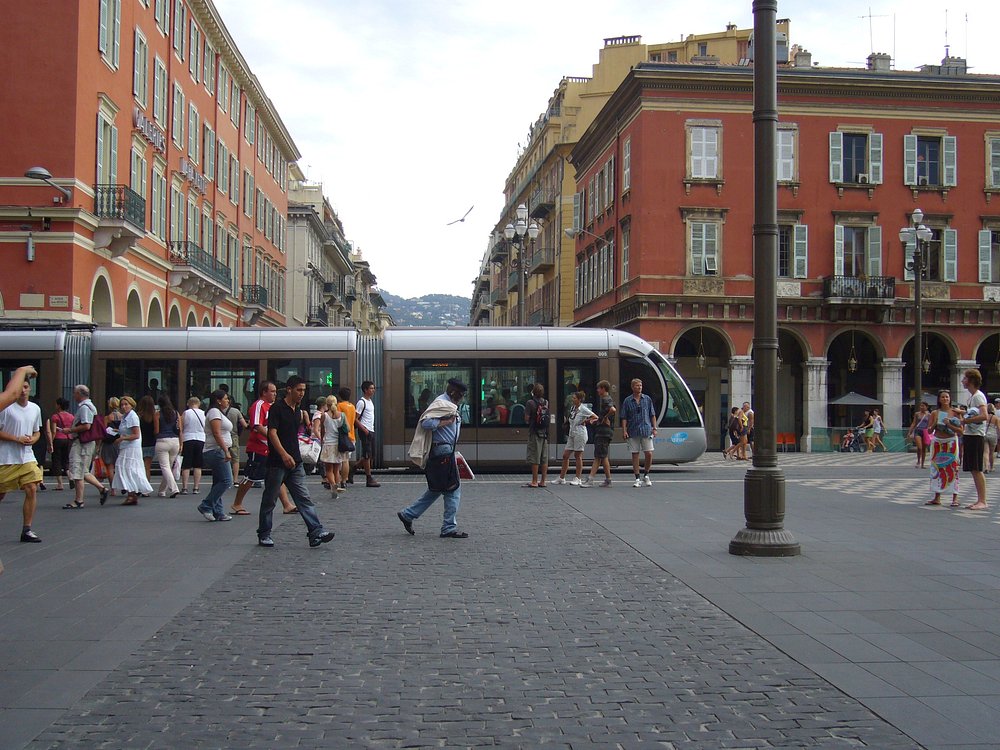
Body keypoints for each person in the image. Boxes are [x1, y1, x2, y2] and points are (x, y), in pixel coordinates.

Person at [256, 376, 335, 548]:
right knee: (269, 499)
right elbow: (272, 433)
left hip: (295, 462)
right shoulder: (277, 408)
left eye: (304, 390)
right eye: (299, 390)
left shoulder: (298, 410)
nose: (302, 393)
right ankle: (264, 533)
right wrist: (284, 454)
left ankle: (315, 531)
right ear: (289, 389)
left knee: (304, 498)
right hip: (277, 462)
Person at [398, 377, 469, 538]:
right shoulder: (441, 403)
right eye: (460, 394)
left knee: (438, 488)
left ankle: (408, 514)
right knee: (453, 489)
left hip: (446, 450)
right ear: (453, 392)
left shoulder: (448, 404)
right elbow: (426, 423)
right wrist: (447, 421)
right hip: (442, 450)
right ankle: (448, 528)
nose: (462, 397)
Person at [230, 381, 296, 516]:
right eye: (272, 391)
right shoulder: (259, 405)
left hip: (269, 447)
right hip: (259, 447)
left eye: (275, 391)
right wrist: (274, 437)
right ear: (264, 392)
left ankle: (287, 504)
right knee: (250, 477)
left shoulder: (272, 406)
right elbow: (256, 425)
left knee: (277, 475)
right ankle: (237, 503)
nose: (275, 394)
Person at [0, 375, 44, 542]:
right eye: (21, 387)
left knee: (31, 487)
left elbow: (36, 430)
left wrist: (33, 439)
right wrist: (15, 438)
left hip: (26, 456)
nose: (24, 390)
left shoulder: (35, 408)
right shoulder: (5, 408)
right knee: (1, 493)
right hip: (5, 457)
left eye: (26, 387)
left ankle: (27, 529)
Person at [60, 384, 109, 509]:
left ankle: (79, 500)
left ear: (79, 394)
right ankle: (102, 489)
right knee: (84, 471)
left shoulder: (84, 408)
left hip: (82, 443)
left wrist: (70, 430)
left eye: (75, 393)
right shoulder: (90, 406)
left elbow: (87, 426)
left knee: (77, 471)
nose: (73, 395)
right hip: (86, 443)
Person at [196, 389, 234, 522]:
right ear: (218, 400)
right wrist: (226, 450)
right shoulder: (214, 412)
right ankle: (206, 505)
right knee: (226, 480)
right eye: (225, 398)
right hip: (217, 450)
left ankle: (218, 512)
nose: (228, 401)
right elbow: (217, 433)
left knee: (218, 481)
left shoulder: (218, 413)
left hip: (218, 450)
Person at [111, 396, 153, 505]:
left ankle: (131, 493)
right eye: (122, 405)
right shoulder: (126, 416)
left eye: (126, 404)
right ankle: (131, 493)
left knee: (128, 469)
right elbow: (127, 430)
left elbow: (136, 434)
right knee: (126, 469)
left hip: (131, 447)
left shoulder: (132, 417)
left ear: (131, 405)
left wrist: (122, 438)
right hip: (126, 446)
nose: (124, 407)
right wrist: (117, 431)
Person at [926, 390, 963, 507]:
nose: (945, 399)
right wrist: (935, 423)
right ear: (939, 399)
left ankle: (955, 497)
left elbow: (961, 431)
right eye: (943, 397)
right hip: (938, 442)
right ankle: (937, 496)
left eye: (947, 397)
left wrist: (949, 424)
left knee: (953, 468)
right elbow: (929, 430)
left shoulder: (955, 412)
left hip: (951, 441)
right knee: (937, 469)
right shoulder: (934, 413)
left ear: (950, 399)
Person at [620, 378, 657, 487]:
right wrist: (624, 430)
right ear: (632, 387)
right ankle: (637, 477)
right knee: (635, 454)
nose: (639, 387)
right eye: (637, 385)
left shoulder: (647, 399)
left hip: (646, 429)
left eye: (640, 385)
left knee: (649, 452)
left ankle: (646, 474)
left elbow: (652, 414)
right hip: (633, 429)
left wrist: (654, 428)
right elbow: (624, 417)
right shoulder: (627, 401)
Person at [960, 368, 989, 510]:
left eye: (964, 378)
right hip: (971, 435)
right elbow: (974, 414)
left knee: (977, 468)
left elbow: (984, 416)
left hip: (976, 436)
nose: (962, 381)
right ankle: (980, 499)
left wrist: (966, 421)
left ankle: (982, 501)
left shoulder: (978, 396)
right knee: (973, 468)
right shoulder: (972, 397)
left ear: (971, 380)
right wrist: (963, 413)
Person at [555, 391, 596, 485]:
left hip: (580, 433)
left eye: (574, 398)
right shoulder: (573, 408)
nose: (572, 399)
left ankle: (578, 478)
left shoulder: (584, 409)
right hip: (572, 433)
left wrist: (586, 421)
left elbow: (595, 417)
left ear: (579, 400)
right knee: (565, 455)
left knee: (578, 455)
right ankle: (562, 477)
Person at [581, 380, 616, 487]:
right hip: (605, 430)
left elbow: (613, 409)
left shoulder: (605, 399)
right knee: (603, 456)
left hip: (603, 431)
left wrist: (605, 418)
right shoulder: (606, 399)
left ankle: (590, 479)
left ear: (603, 389)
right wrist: (595, 420)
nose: (597, 390)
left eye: (598, 388)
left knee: (598, 456)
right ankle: (608, 480)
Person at [153, 395, 181, 497]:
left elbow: (156, 430)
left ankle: (174, 489)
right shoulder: (176, 413)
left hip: (162, 441)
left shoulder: (157, 414)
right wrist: (181, 444)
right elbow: (180, 430)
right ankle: (161, 490)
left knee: (165, 467)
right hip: (175, 441)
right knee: (168, 467)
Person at [523, 383, 550, 488]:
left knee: (535, 457)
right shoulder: (546, 402)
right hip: (544, 433)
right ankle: (543, 481)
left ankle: (534, 481)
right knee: (544, 458)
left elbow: (526, 419)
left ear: (533, 392)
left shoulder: (530, 403)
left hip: (534, 432)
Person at [354, 381, 380, 487]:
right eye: (371, 388)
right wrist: (364, 429)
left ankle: (353, 469)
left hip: (371, 430)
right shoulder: (361, 402)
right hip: (365, 430)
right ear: (365, 390)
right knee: (367, 454)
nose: (373, 390)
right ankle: (369, 478)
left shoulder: (370, 401)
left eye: (373, 388)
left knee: (370, 455)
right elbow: (355, 419)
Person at [318, 395, 345, 497]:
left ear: (327, 404)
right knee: (336, 470)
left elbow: (322, 430)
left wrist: (321, 440)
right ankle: (337, 486)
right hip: (338, 445)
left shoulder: (324, 415)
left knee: (328, 470)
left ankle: (333, 486)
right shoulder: (341, 415)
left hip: (328, 444)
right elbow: (346, 429)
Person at [47, 396, 74, 491]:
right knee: (66, 460)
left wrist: (50, 442)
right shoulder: (71, 416)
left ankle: (60, 484)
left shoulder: (55, 416)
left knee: (57, 461)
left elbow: (53, 431)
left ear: (59, 405)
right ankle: (70, 477)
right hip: (68, 439)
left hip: (58, 439)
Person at [179, 396, 205, 494]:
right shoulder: (203, 413)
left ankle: (185, 488)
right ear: (198, 403)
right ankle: (196, 487)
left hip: (188, 439)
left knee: (186, 465)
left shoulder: (186, 413)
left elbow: (181, 427)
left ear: (188, 404)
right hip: (201, 439)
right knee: (198, 465)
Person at [100, 396, 122, 493]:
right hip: (120, 441)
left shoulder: (107, 418)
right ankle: (123, 485)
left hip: (109, 443)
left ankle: (113, 489)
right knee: (120, 465)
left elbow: (103, 432)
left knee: (110, 466)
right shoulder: (123, 416)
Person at [336, 386, 356, 491]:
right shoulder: (352, 406)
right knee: (346, 460)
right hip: (351, 436)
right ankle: (345, 480)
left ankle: (339, 480)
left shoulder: (339, 406)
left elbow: (337, 420)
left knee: (340, 460)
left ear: (339, 396)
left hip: (342, 437)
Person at [224, 398, 247, 486]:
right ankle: (235, 479)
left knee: (224, 458)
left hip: (222, 437)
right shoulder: (236, 411)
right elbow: (244, 424)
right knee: (235, 459)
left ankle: (225, 478)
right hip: (233, 437)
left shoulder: (218, 411)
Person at [135, 395, 157, 484]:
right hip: (151, 442)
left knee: (139, 466)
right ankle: (146, 487)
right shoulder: (154, 416)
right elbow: (156, 431)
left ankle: (140, 485)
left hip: (140, 443)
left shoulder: (138, 416)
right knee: (147, 467)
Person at [907, 401, 931, 469]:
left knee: (924, 448)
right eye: (921, 406)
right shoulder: (917, 414)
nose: (921, 407)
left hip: (925, 431)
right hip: (918, 431)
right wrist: (910, 432)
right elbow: (914, 423)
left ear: (926, 407)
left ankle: (922, 463)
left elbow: (929, 424)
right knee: (919, 447)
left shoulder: (929, 415)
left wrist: (930, 432)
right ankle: (918, 461)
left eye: (923, 406)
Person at [985, 404, 1000, 474]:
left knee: (985, 452)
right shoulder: (996, 418)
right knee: (991, 452)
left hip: (985, 434)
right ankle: (991, 467)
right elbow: (998, 428)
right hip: (993, 435)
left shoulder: (985, 417)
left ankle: (986, 467)